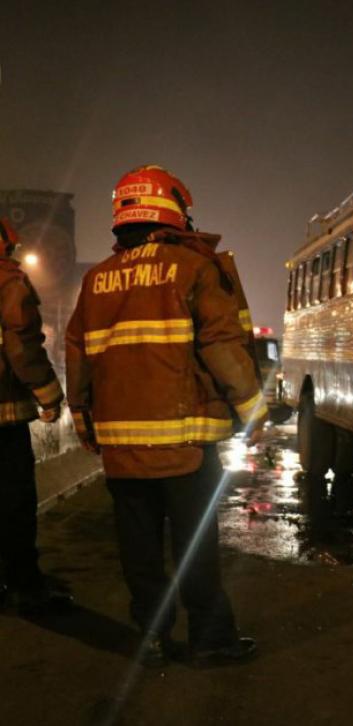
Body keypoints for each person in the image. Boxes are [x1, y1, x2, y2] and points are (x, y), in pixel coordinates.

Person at [65, 165, 267, 667]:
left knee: (139, 550)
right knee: (194, 546)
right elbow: (221, 344)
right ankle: (210, 640)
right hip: (185, 446)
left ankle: (150, 639)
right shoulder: (191, 267)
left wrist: (83, 418)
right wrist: (252, 408)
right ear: (174, 208)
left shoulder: (95, 280)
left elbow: (78, 354)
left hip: (122, 447)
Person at [0, 216, 73, 615]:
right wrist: (49, 395)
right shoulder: (7, 282)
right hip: (4, 418)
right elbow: (22, 346)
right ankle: (25, 586)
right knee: (14, 503)